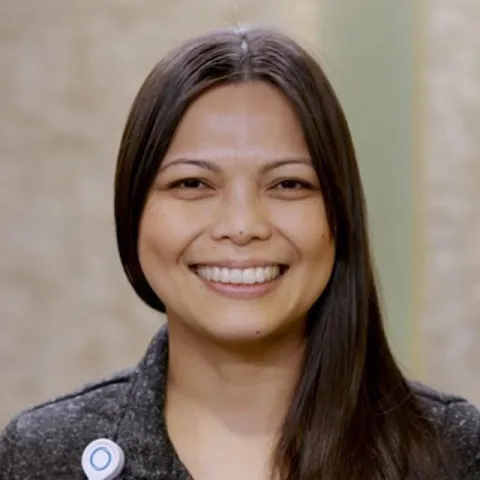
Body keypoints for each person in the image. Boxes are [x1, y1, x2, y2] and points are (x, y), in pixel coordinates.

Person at [0, 26, 478, 480]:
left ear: (339, 214)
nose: (243, 226)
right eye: (192, 183)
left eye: (289, 184)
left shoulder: (452, 452)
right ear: (133, 212)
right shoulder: (43, 455)